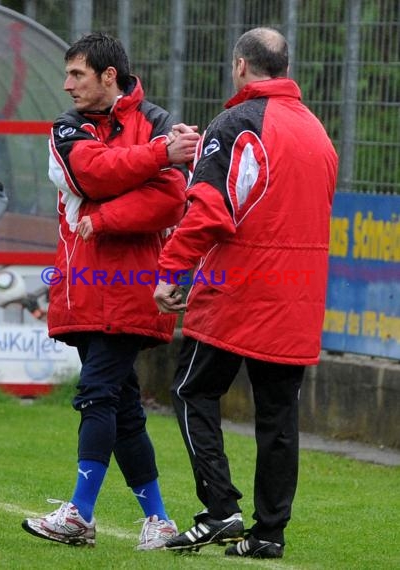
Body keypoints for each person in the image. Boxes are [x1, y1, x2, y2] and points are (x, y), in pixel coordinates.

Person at [153, 27, 338, 559]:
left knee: (191, 391)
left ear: (240, 65)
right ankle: (268, 534)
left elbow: (211, 207)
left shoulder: (238, 122)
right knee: (279, 416)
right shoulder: (317, 132)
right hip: (298, 297)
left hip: (240, 294)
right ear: (284, 67)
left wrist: (172, 269)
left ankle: (220, 509)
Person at [21, 32, 199, 550]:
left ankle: (79, 513)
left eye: (76, 74)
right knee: (122, 407)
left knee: (96, 394)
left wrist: (103, 221)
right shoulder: (66, 128)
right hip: (81, 291)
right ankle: (160, 521)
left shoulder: (160, 123)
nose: (66, 85)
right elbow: (93, 173)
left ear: (108, 76)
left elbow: (170, 199)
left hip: (132, 290)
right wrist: (158, 155)